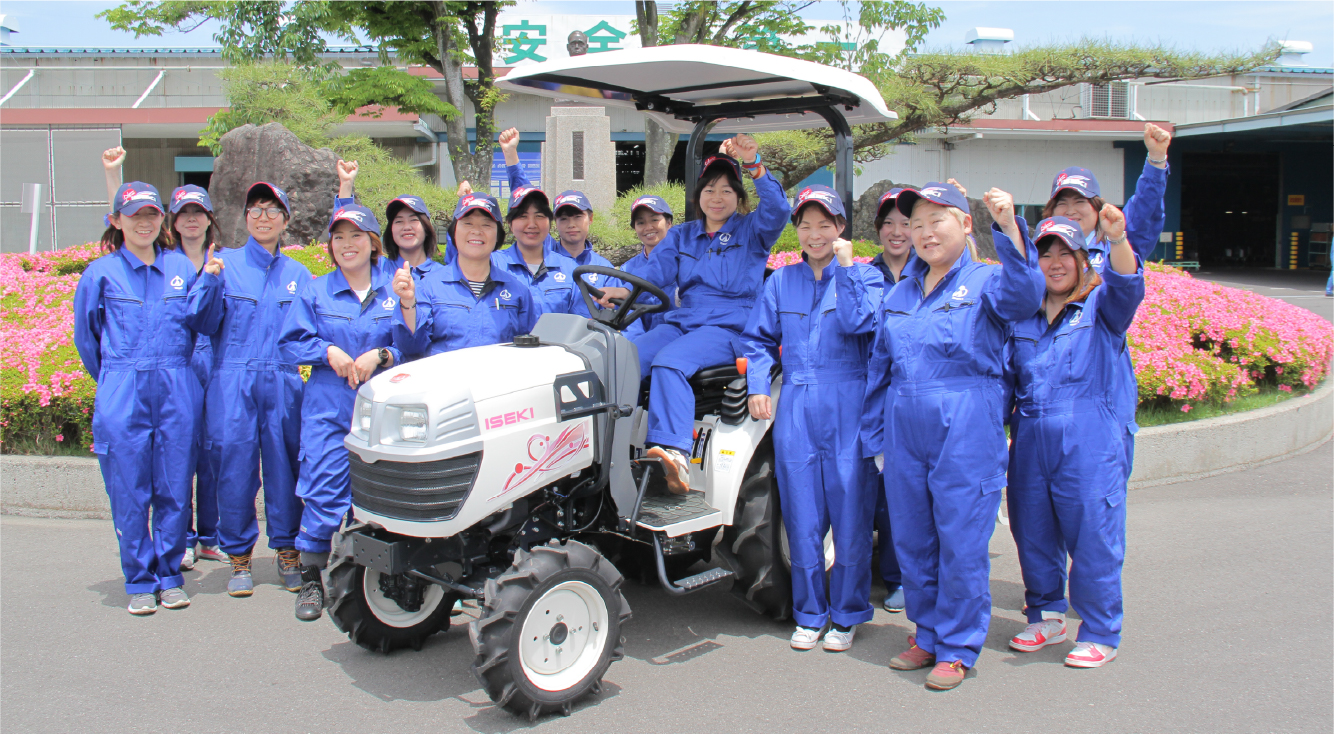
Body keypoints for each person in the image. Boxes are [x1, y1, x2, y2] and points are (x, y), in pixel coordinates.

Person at [861, 183, 1043, 691]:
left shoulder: (988, 281)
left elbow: (1026, 295)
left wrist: (1008, 228)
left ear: (964, 224)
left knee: (960, 543)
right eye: (915, 224)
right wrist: (875, 440)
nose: (923, 233)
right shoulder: (899, 293)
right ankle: (927, 634)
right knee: (913, 539)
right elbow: (880, 368)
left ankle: (958, 647)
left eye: (936, 221)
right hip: (905, 426)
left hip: (965, 424)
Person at [596, 135, 790, 494]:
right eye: (710, 189)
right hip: (685, 321)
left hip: (729, 325)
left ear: (739, 197)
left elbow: (778, 209)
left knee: (670, 362)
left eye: (727, 190)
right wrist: (621, 292)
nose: (717, 197)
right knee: (625, 357)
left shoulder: (752, 230)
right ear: (698, 195)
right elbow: (654, 275)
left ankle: (674, 454)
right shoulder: (682, 235)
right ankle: (605, 445)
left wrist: (754, 164)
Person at [741, 186, 882, 652]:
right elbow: (758, 339)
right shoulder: (781, 281)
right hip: (798, 402)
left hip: (849, 400)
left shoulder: (865, 276)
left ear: (841, 228)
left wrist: (847, 268)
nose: (814, 234)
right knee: (801, 515)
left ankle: (847, 614)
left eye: (825, 224)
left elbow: (864, 324)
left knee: (851, 515)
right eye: (805, 225)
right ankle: (809, 614)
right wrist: (758, 385)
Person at [1004, 210, 1143, 669]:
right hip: (1030, 437)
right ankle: (1046, 616)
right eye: (1046, 254)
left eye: (1067, 253)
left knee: (1093, 535)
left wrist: (1118, 239)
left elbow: (1127, 284)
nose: (1056, 262)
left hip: (1088, 439)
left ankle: (1100, 630)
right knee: (1033, 530)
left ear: (1084, 260)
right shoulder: (1022, 317)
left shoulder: (1102, 308)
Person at [74, 182, 201, 615]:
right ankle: (140, 580)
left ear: (162, 219)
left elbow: (195, 327)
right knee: (129, 490)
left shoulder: (179, 266)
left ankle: (170, 575)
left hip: (175, 385)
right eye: (134, 216)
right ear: (116, 221)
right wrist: (115, 379)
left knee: (174, 488)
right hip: (124, 387)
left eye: (151, 214)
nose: (144, 223)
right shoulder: (100, 273)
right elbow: (88, 339)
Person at [101, 147, 227, 570]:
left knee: (204, 456)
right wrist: (117, 378)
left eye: (199, 212)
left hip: (203, 370)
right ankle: (178, 544)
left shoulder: (216, 262)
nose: (191, 219)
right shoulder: (136, 266)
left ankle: (205, 537)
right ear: (172, 220)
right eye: (183, 212)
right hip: (156, 374)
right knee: (166, 467)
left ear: (210, 218)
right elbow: (92, 338)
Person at [278, 204, 404, 621]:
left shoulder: (396, 287)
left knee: (384, 496)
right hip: (328, 409)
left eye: (356, 236)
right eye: (338, 237)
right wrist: (326, 350)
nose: (347, 244)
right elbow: (290, 342)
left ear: (373, 243)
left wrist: (382, 355)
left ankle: (380, 578)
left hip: (384, 409)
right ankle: (311, 579)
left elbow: (416, 342)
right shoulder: (316, 291)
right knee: (323, 491)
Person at [187, 182, 311, 598]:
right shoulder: (223, 264)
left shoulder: (298, 275)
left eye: (272, 210)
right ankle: (239, 557)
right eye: (255, 209)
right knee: (233, 469)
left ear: (285, 221)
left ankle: (288, 551)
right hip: (232, 380)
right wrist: (207, 282)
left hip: (282, 380)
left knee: (285, 469)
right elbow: (201, 323)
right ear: (245, 218)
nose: (263, 217)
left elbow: (309, 333)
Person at [393, 193, 538, 357]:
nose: (476, 231)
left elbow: (529, 351)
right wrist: (407, 303)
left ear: (498, 234)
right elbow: (410, 348)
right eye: (468, 223)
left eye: (486, 224)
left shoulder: (517, 291)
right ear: (454, 231)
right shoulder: (428, 287)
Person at [866, 185, 914, 614]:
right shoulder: (865, 274)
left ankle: (911, 578)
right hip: (875, 394)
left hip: (916, 393)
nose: (897, 232)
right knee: (883, 488)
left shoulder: (933, 273)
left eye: (906, 223)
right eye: (889, 223)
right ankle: (893, 574)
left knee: (914, 488)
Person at [491, 128, 583, 315]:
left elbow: (580, 321)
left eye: (540, 216)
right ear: (509, 224)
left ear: (550, 222)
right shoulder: (492, 264)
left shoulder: (569, 268)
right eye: (522, 216)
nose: (531, 224)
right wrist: (510, 153)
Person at [332, 159, 450, 273]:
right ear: (391, 231)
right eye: (399, 221)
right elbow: (343, 229)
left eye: (413, 220)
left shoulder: (443, 276)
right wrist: (346, 184)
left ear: (426, 228)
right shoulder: (378, 270)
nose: (406, 227)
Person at [621, 195, 676, 332]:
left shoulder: (687, 263)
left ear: (669, 223)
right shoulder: (627, 269)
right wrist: (635, 343)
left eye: (654, 220)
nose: (648, 227)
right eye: (641, 222)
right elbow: (626, 316)